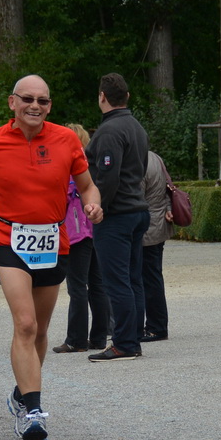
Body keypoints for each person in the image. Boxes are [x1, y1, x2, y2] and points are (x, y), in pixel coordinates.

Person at [0, 75, 102, 440]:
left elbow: (87, 184)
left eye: (43, 100)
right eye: (28, 99)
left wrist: (93, 203)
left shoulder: (66, 139)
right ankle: (33, 411)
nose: (35, 106)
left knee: (40, 331)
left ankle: (22, 393)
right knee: (24, 323)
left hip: (53, 241)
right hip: (8, 239)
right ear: (12, 102)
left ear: (50, 106)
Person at [85, 73, 150, 361]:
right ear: (127, 96)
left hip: (117, 214)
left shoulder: (110, 131)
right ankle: (133, 337)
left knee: (117, 281)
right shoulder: (136, 126)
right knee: (133, 279)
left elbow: (108, 176)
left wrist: (100, 207)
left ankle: (124, 343)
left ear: (101, 96)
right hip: (137, 210)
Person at [53, 124, 109, 354]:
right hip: (95, 230)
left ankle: (76, 339)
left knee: (77, 287)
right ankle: (98, 337)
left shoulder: (67, 170)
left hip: (75, 234)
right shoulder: (90, 168)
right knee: (97, 285)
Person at [141, 149, 173, 341]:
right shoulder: (155, 157)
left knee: (149, 278)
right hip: (158, 223)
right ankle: (156, 325)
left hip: (148, 226)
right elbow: (168, 188)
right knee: (153, 276)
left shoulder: (139, 161)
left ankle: (156, 327)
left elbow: (135, 195)